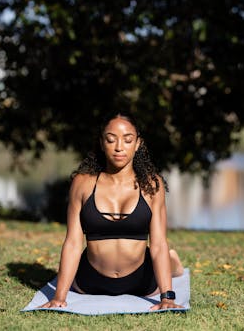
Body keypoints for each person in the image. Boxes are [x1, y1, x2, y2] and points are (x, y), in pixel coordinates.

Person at [40, 110, 184, 311]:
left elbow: (158, 243)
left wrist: (167, 297)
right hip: (89, 281)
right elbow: (73, 242)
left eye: (127, 140)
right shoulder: (82, 184)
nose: (119, 147)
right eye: (110, 139)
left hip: (142, 282)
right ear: (101, 143)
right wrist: (59, 297)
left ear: (137, 144)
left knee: (165, 255)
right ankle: (172, 261)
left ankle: (173, 265)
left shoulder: (152, 185)